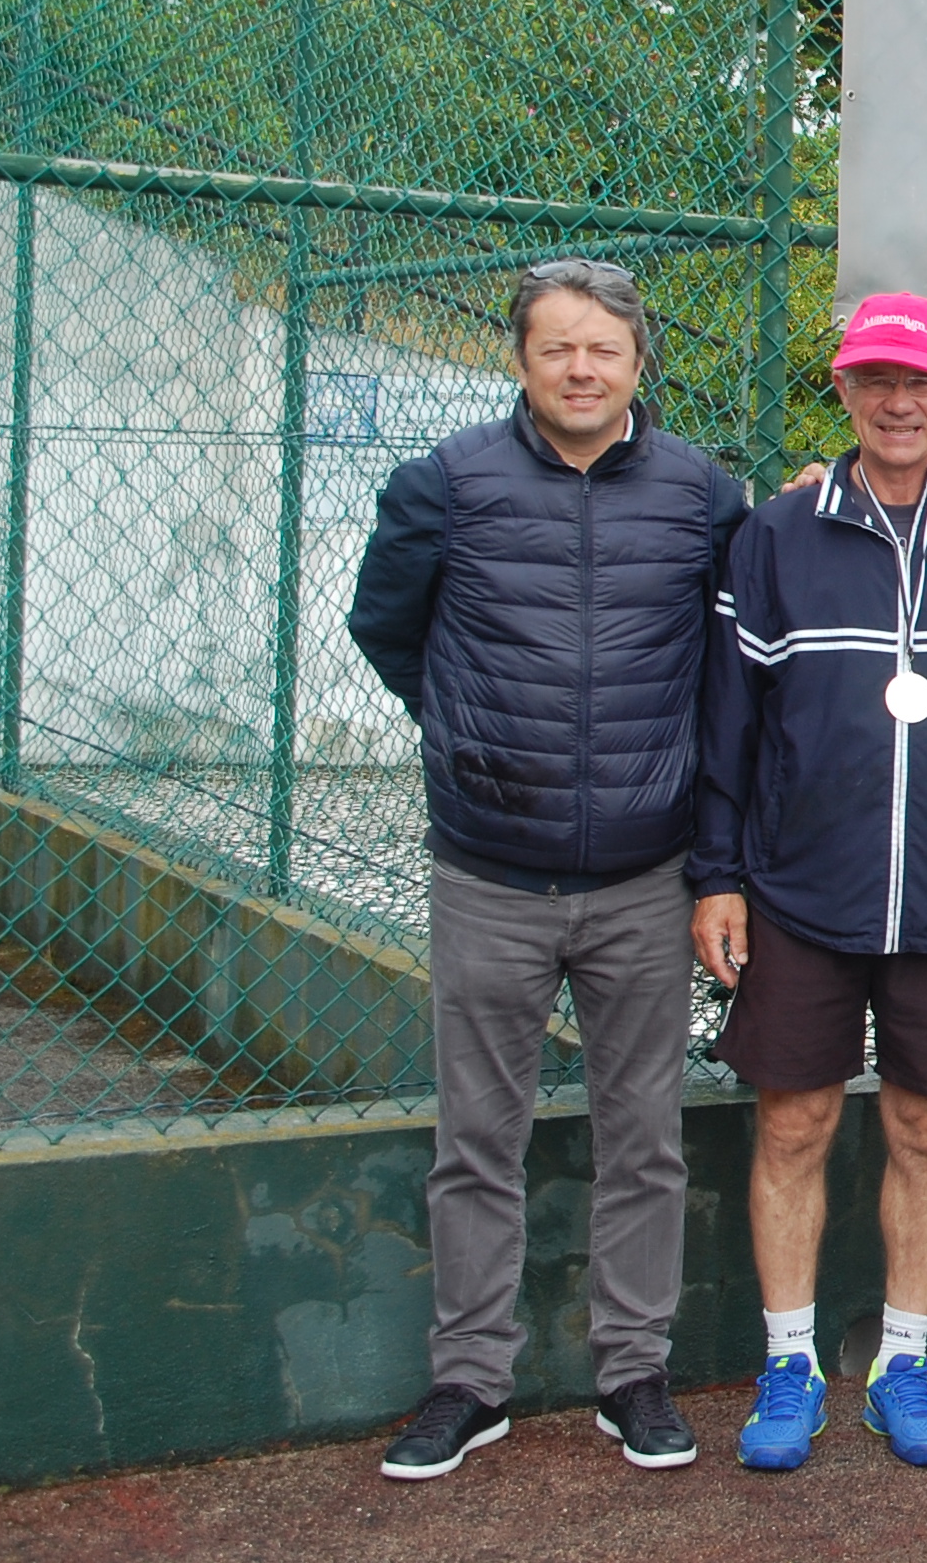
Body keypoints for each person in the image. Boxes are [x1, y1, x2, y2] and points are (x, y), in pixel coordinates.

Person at [348, 259, 746, 1480]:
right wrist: (469, 737)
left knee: (644, 1136)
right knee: (478, 1138)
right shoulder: (446, 483)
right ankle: (470, 1379)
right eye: (556, 347)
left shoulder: (700, 496)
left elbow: (727, 666)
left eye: (603, 350)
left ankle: (633, 1369)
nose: (581, 368)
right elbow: (387, 626)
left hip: (643, 875)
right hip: (488, 872)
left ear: (639, 365)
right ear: (520, 360)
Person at [688, 292, 927, 1474]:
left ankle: (903, 1356)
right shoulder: (776, 534)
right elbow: (727, 729)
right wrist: (718, 877)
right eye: (873, 381)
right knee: (792, 1122)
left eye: (920, 381)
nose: (898, 402)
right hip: (800, 889)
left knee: (925, 1125)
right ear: (841, 392)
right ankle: (789, 1360)